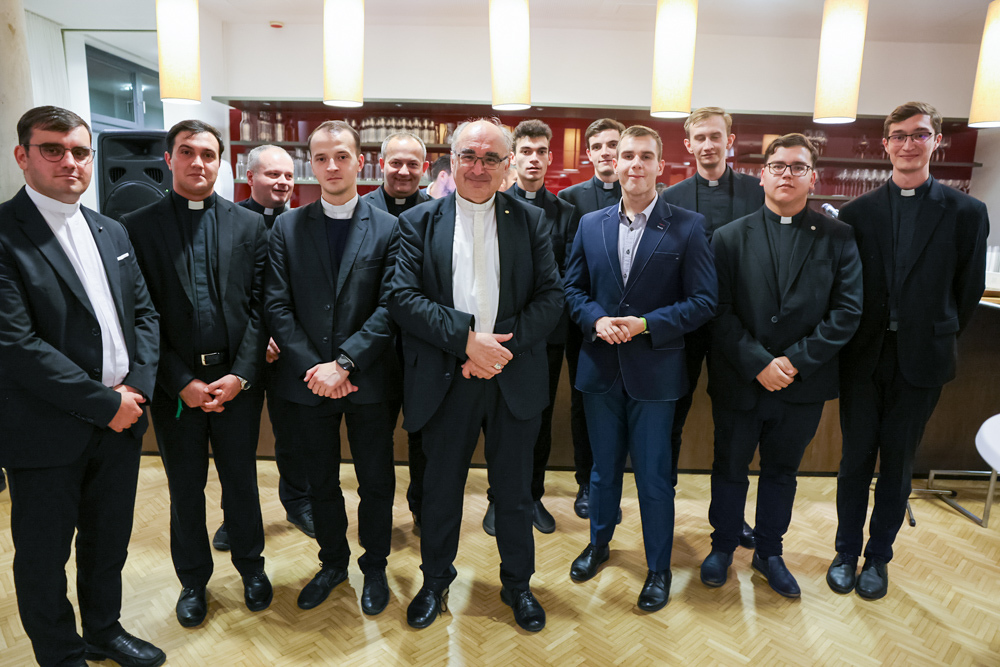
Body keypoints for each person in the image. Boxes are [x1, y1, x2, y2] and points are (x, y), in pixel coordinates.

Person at [0, 106, 164, 667]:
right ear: (23, 156)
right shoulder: (4, 233)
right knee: (43, 556)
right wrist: (104, 403)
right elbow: (16, 344)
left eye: (79, 151)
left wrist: (136, 389)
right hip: (45, 428)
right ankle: (61, 655)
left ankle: (103, 631)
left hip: (121, 420)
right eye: (53, 149)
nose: (69, 161)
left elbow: (144, 315)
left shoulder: (110, 228)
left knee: (107, 540)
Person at [389, 118, 563, 632]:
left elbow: (551, 297)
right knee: (440, 493)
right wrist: (467, 341)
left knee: (514, 495)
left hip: (512, 378)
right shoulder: (418, 222)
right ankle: (435, 582)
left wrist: (496, 351)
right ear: (452, 160)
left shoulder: (531, 221)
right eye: (469, 156)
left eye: (491, 158)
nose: (479, 167)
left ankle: (518, 585)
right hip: (447, 379)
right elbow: (402, 297)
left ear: (507, 165)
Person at [828, 102, 989, 600]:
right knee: (855, 461)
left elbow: (967, 292)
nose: (908, 144)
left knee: (897, 465)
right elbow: (846, 288)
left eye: (919, 134)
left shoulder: (967, 212)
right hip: (863, 357)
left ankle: (878, 557)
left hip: (922, 360)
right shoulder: (857, 213)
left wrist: (933, 334)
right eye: (898, 135)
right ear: (885, 145)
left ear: (935, 141)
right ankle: (845, 551)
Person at [122, 120, 271, 628]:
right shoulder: (136, 227)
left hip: (236, 386)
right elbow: (139, 315)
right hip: (177, 389)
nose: (198, 162)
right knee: (185, 488)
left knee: (241, 482)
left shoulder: (249, 225)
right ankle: (192, 581)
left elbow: (261, 310)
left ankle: (252, 568)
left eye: (208, 154)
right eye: (187, 152)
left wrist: (242, 375)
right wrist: (180, 380)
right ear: (169, 159)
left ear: (221, 163)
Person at [564, 124, 717, 612]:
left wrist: (647, 324)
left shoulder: (688, 226)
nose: (634, 164)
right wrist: (596, 319)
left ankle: (658, 568)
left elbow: (704, 301)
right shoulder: (590, 224)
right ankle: (598, 544)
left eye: (645, 156)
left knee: (653, 478)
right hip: (600, 370)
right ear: (614, 162)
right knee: (602, 473)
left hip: (656, 374)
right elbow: (572, 290)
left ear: (660, 165)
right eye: (627, 155)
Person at [703, 133, 862, 598]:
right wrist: (758, 363)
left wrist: (792, 362)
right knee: (728, 467)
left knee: (782, 472)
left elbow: (847, 311)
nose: (786, 174)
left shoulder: (838, 237)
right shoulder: (728, 237)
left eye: (797, 167)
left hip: (802, 384)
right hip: (740, 378)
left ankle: (770, 552)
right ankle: (722, 545)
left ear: (813, 178)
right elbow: (717, 310)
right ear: (762, 175)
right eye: (777, 166)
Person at [265, 120, 401, 615]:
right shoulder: (287, 227)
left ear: (360, 162)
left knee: (376, 482)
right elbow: (277, 305)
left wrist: (344, 364)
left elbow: (392, 304)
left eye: (341, 156)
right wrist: (317, 368)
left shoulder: (389, 227)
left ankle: (376, 566)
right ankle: (332, 562)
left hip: (369, 378)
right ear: (311, 164)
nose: (332, 166)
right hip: (308, 383)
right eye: (321, 158)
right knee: (319, 482)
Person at [661, 106, 765, 548]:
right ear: (688, 145)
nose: (708, 145)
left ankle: (729, 518)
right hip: (684, 326)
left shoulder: (757, 192)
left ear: (729, 141)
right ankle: (661, 513)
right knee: (670, 421)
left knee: (734, 429)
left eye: (715, 136)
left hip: (737, 326)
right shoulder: (671, 197)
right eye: (699, 138)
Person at [213, 145, 314, 553]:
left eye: (288, 175)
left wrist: (284, 336)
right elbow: (229, 293)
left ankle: (299, 503)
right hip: (244, 354)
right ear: (250, 177)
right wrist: (260, 338)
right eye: (273, 174)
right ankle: (235, 516)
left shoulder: (303, 224)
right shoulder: (228, 223)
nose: (283, 182)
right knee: (237, 443)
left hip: (290, 353)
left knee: (294, 437)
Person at [479, 119, 575, 537]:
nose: (533, 159)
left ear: (549, 158)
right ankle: (496, 497)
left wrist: (529, 327)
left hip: (542, 338)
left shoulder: (566, 213)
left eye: (541, 152)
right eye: (526, 151)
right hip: (494, 337)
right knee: (493, 419)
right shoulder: (491, 204)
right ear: (512, 158)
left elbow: (565, 279)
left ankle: (532, 495)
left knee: (537, 419)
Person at [362, 131, 432, 537]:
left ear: (425, 168)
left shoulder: (439, 212)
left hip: (425, 350)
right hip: (377, 351)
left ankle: (422, 509)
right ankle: (379, 518)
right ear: (380, 164)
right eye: (395, 162)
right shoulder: (360, 211)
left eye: (412, 164)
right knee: (376, 441)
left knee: (424, 438)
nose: (403, 171)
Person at [557, 118, 626, 519]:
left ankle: (614, 483)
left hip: (633, 324)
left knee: (629, 404)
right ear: (588, 154)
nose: (606, 152)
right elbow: (569, 265)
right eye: (597, 146)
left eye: (612, 144)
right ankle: (587, 482)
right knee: (584, 403)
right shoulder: (570, 199)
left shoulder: (642, 194)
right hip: (584, 322)